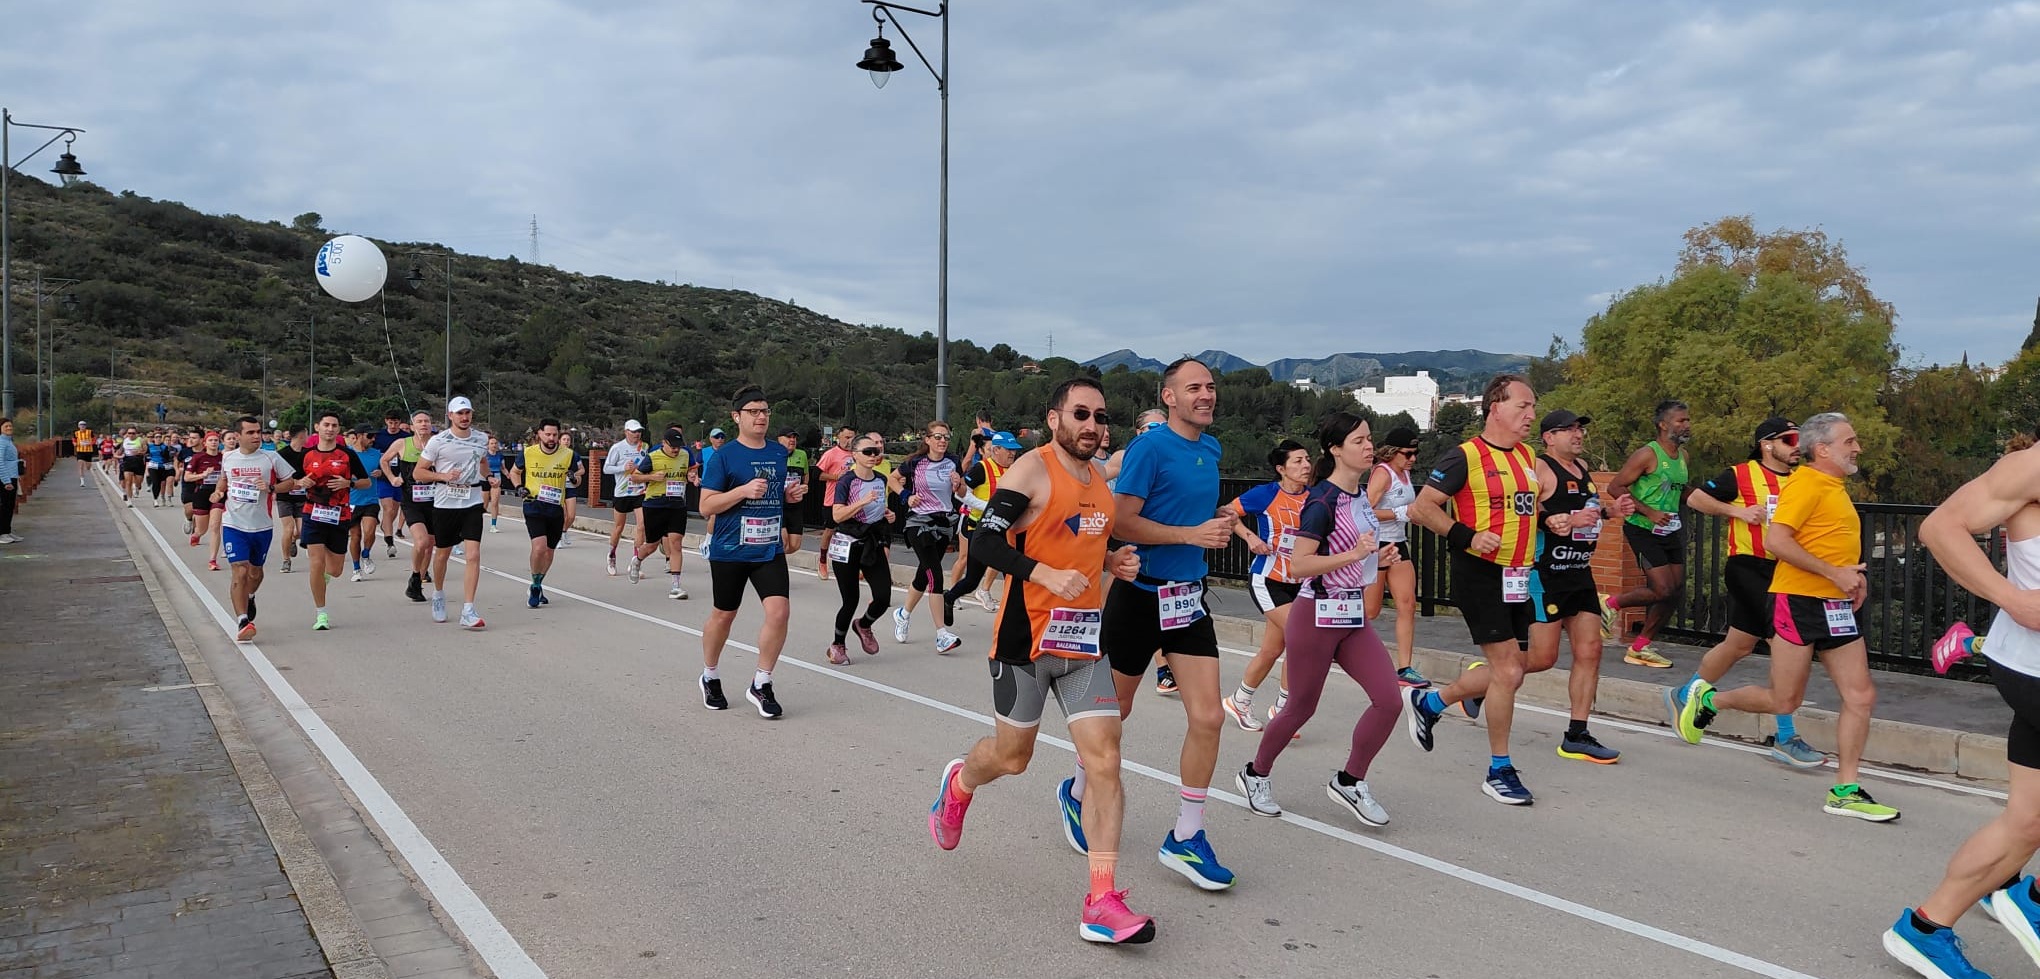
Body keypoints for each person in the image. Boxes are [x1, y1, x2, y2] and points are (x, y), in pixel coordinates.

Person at [925, 376, 1154, 945]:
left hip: (1084, 645)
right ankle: (959, 784)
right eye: (1081, 414)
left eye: (1100, 417)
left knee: (1105, 761)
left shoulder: (1099, 481)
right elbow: (985, 543)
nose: (1093, 426)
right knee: (1013, 757)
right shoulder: (1031, 470)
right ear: (1055, 419)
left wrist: (1113, 562)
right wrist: (1042, 574)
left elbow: (1084, 539)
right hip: (1024, 644)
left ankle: (1102, 899)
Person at [1677, 412, 1895, 821]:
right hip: (1798, 601)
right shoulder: (1806, 483)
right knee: (1785, 699)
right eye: (1849, 441)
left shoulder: (1834, 486)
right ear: (1823, 449)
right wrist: (1833, 573)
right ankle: (1710, 699)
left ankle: (1845, 790)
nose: (1858, 448)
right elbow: (1777, 540)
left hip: (1836, 605)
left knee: (1861, 696)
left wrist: (1854, 577)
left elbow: (1830, 540)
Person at [1884, 430, 2040, 977]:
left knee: (2026, 821)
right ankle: (2031, 900)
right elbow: (1939, 527)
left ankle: (1926, 929)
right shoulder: (2033, 465)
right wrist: (2011, 598)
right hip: (2033, 664)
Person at [1098, 357, 1239, 890]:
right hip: (1140, 597)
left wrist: (1219, 521)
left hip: (1187, 599)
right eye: (1194, 387)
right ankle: (1078, 789)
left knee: (1209, 716)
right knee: (1115, 710)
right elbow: (1121, 520)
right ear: (1170, 396)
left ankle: (1186, 834)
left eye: (1211, 386)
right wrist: (1189, 535)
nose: (1207, 394)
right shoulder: (1149, 448)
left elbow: (1187, 512)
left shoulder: (1211, 448)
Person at [1235, 412, 1403, 826]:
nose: (1369, 447)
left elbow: (1355, 555)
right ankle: (1255, 774)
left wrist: (1377, 557)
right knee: (1300, 708)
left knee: (1389, 700)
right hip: (1316, 613)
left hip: (1351, 614)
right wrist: (1353, 554)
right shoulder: (1321, 501)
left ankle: (1350, 780)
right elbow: (1299, 565)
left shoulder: (1360, 496)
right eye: (1359, 441)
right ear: (1336, 449)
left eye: (1370, 439)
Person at [1403, 374, 1546, 805]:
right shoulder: (1465, 456)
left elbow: (1526, 507)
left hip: (1517, 575)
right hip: (1480, 573)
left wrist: (1557, 518)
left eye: (1533, 407)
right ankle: (1499, 770)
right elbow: (1421, 508)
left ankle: (1430, 704)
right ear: (1495, 408)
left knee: (1517, 668)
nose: (1531, 415)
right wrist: (1467, 535)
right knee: (1508, 672)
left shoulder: (1526, 455)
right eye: (1523, 406)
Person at [1664, 417, 1823, 769]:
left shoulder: (1803, 478)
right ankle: (1785, 736)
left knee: (1738, 645)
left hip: (1786, 571)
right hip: (1750, 566)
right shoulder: (1740, 474)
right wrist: (1736, 511)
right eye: (1789, 439)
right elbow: (1696, 498)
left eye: (1799, 438)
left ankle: (1685, 693)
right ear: (1766, 444)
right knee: (1785, 643)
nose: (1797, 445)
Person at [1528, 409, 1631, 763]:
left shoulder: (1582, 467)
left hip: (1579, 572)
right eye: (1568, 429)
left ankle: (1577, 734)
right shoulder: (1540, 468)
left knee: (1591, 651)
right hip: (1547, 573)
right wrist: (1559, 520)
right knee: (1542, 658)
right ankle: (1483, 681)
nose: (1578, 434)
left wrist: (1609, 512)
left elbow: (1585, 512)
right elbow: (1524, 513)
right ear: (1548, 437)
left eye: (1580, 429)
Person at [696, 388, 804, 718]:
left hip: (768, 547)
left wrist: (788, 497)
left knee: (779, 612)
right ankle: (710, 675)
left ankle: (762, 682)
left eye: (765, 411)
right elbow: (706, 506)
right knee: (724, 615)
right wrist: (742, 490)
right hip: (730, 549)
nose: (761, 417)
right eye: (753, 411)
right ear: (737, 417)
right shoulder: (724, 456)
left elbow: (774, 493)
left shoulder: (778, 452)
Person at [1221, 439, 1312, 733]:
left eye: (1307, 459)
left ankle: (1239, 700)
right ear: (1281, 469)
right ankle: (1284, 709)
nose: (1306, 465)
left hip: (1299, 582)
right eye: (1298, 461)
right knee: (1302, 638)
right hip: (1268, 579)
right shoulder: (1266, 494)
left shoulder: (1314, 497)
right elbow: (1226, 512)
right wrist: (1250, 538)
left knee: (1272, 650)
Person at [1602, 400, 1693, 669]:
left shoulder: (1684, 457)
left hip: (1669, 529)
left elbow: (1679, 491)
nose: (1687, 425)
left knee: (1675, 591)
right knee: (1662, 588)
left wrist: (1712, 498)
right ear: (1663, 425)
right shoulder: (1647, 454)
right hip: (1642, 528)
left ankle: (1640, 647)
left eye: (1687, 420)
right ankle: (1611, 603)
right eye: (1680, 421)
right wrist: (1648, 511)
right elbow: (1615, 487)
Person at [211, 416, 300, 640]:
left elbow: (291, 482)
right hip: (233, 523)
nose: (256, 436)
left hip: (261, 526)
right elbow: (224, 479)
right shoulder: (228, 457)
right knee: (240, 570)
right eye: (250, 432)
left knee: (255, 572)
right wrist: (219, 492)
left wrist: (271, 487)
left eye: (258, 432)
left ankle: (249, 596)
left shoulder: (271, 457)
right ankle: (243, 621)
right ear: (237, 436)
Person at [413, 397, 491, 629]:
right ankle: (438, 593)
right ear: (450, 416)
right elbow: (418, 472)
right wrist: (442, 476)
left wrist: (489, 476)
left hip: (472, 501)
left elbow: (482, 462)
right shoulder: (438, 441)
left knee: (473, 555)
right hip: (446, 503)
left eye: (467, 413)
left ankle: (468, 609)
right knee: (442, 554)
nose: (464, 417)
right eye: (460, 413)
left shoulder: (481, 438)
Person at [891, 420, 966, 651]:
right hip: (919, 522)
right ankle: (941, 634)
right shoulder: (915, 462)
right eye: (938, 437)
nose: (942, 441)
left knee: (924, 575)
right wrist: (906, 496)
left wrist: (958, 484)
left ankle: (903, 614)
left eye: (946, 437)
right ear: (927, 439)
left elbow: (963, 491)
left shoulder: (953, 461)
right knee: (935, 574)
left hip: (943, 524)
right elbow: (892, 478)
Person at [824, 432, 897, 665]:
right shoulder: (847, 481)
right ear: (855, 455)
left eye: (876, 451)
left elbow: (879, 508)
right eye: (868, 451)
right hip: (847, 544)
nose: (873, 455)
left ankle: (863, 625)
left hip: (872, 543)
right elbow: (837, 515)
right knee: (851, 600)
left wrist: (888, 514)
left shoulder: (881, 479)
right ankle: (837, 644)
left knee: (883, 597)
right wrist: (862, 502)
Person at [294, 412, 371, 632]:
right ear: (317, 427)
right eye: (326, 425)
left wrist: (349, 483)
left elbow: (366, 482)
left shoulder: (347, 454)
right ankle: (321, 614)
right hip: (312, 513)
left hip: (339, 515)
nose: (330, 429)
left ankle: (323, 578)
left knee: (335, 570)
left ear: (338, 429)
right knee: (316, 563)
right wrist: (300, 482)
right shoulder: (306, 455)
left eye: (334, 425)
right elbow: (291, 481)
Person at [940, 430, 1021, 630]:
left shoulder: (1015, 469)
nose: (1012, 454)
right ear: (996, 450)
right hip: (981, 530)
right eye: (1009, 450)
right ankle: (949, 597)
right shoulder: (981, 468)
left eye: (1014, 450)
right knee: (972, 580)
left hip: (1004, 530)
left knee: (1013, 573)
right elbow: (960, 494)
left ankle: (1014, 618)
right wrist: (987, 507)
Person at [1367, 426, 1427, 688]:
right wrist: (1398, 513)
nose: (1413, 458)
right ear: (1392, 452)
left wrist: (1414, 515)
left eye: (1415, 453)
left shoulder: (1405, 472)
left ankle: (1405, 667)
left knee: (1408, 604)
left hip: (1398, 543)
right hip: (1377, 544)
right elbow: (1365, 511)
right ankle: (1336, 641)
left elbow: (1409, 508)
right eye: (1408, 453)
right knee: (1371, 610)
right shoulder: (1383, 473)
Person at [507, 418, 573, 609]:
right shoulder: (528, 453)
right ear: (540, 434)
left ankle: (537, 582)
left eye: (555, 435)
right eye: (548, 434)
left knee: (549, 552)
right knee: (539, 548)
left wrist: (573, 478)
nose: (551, 438)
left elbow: (577, 476)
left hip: (555, 507)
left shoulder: (568, 454)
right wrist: (519, 487)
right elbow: (514, 472)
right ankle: (536, 586)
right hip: (533, 504)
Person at [626, 427, 694, 599]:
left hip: (677, 505)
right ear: (664, 443)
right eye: (672, 446)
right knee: (652, 545)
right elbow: (635, 477)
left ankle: (676, 586)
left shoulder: (685, 455)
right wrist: (652, 477)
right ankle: (637, 560)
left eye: (678, 446)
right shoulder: (653, 457)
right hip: (655, 504)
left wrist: (692, 476)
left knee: (676, 544)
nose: (676, 450)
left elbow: (690, 471)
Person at [382, 411, 438, 603]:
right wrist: (392, 478)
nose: (423, 424)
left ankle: (418, 583)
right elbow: (384, 460)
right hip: (411, 499)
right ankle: (415, 575)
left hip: (435, 500)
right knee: (422, 541)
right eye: (419, 421)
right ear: (412, 426)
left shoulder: (438, 443)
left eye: (427, 421)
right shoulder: (402, 443)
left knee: (430, 544)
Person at [603, 420, 650, 576]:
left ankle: (636, 562)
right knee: (619, 527)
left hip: (639, 491)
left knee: (642, 526)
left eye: (639, 431)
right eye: (634, 431)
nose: (637, 434)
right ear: (626, 432)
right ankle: (611, 555)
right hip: (622, 492)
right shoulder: (617, 448)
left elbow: (648, 465)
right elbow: (606, 468)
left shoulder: (644, 447)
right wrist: (623, 467)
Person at [814, 425, 858, 582]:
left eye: (852, 437)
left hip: (852, 501)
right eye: (847, 437)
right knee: (829, 530)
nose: (849, 441)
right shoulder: (830, 454)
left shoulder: (858, 454)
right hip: (832, 499)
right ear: (838, 437)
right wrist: (836, 477)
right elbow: (817, 474)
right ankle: (822, 561)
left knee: (854, 532)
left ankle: (854, 565)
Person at [183, 431, 225, 571]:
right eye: (211, 440)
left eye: (216, 440)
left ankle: (212, 560)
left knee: (215, 526)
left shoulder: (224, 458)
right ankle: (196, 534)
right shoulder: (198, 457)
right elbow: (187, 477)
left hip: (218, 493)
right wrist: (203, 475)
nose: (214, 443)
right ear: (205, 443)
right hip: (202, 492)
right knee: (203, 529)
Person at [345, 427, 382, 582]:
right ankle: (356, 569)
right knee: (355, 536)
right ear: (359, 436)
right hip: (352, 501)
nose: (373, 439)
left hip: (371, 500)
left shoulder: (376, 454)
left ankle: (366, 554)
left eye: (374, 436)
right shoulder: (347, 454)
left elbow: (386, 469)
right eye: (370, 436)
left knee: (369, 530)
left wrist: (381, 472)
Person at [372, 411, 406, 555]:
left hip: (400, 477)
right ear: (386, 421)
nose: (393, 426)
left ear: (400, 422)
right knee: (388, 508)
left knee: (395, 509)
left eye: (396, 423)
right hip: (383, 477)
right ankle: (390, 542)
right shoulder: (379, 436)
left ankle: (386, 526)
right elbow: (371, 452)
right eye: (390, 422)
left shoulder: (405, 437)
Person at [777, 428, 810, 557]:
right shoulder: (773, 454)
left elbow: (805, 476)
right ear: (779, 439)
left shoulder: (802, 454)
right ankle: (772, 563)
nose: (792, 440)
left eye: (794, 437)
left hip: (796, 504)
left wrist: (805, 486)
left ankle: (773, 558)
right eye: (788, 437)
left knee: (794, 545)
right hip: (779, 504)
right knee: (783, 541)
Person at [556, 431, 584, 547]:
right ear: (559, 441)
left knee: (571, 516)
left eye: (568, 440)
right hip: (558, 487)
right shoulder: (554, 454)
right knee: (561, 515)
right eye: (564, 439)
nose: (566, 442)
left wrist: (573, 474)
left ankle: (564, 531)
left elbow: (582, 470)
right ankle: (557, 538)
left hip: (570, 487)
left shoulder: (574, 455)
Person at [0, 419, 19, 545]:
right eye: (6, 426)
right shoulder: (1, 442)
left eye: (10, 426)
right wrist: (6, 481)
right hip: (6, 478)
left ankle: (7, 531)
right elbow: (0, 462)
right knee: (5, 506)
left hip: (13, 475)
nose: (9, 428)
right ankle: (2, 533)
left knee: (10, 505)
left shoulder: (9, 441)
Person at [118, 427, 147, 505]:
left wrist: (139, 452)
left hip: (138, 461)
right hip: (127, 461)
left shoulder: (141, 440)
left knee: (138, 482)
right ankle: (129, 500)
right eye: (129, 433)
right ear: (127, 433)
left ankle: (136, 487)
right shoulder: (125, 440)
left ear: (136, 434)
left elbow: (145, 450)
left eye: (133, 433)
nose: (131, 435)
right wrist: (118, 455)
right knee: (128, 482)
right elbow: (120, 450)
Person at [484, 434, 506, 534]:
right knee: (484, 504)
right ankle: (477, 523)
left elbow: (503, 467)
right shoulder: (484, 455)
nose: (494, 445)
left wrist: (508, 474)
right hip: (485, 478)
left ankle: (493, 525)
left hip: (496, 478)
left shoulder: (500, 455)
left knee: (495, 502)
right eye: (492, 443)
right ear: (488, 445)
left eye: (495, 443)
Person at [73, 421, 95, 486]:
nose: (82, 426)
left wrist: (90, 443)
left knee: (88, 467)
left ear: (86, 426)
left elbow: (94, 440)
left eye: (84, 425)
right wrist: (74, 443)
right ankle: (82, 482)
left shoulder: (90, 432)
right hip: (80, 451)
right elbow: (74, 440)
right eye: (81, 425)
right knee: (81, 466)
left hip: (88, 451)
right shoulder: (76, 433)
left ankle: (87, 464)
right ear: (78, 426)